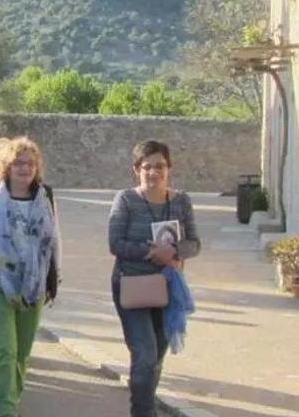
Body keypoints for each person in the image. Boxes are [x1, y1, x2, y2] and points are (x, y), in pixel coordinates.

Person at [0, 137, 61, 417]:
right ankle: (6, 412)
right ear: (5, 166)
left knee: (21, 356)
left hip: (33, 288)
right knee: (4, 353)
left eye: (30, 163)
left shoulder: (47, 197)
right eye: (18, 162)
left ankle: (10, 403)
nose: (24, 168)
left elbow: (55, 239)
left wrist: (56, 278)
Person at [109, 140, 201, 417]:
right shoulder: (125, 200)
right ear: (136, 170)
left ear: (169, 168)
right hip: (131, 287)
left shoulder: (181, 201)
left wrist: (173, 250)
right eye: (146, 167)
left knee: (156, 358)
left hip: (168, 289)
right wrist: (152, 252)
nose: (153, 172)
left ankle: (144, 407)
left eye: (159, 166)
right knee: (145, 355)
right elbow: (115, 243)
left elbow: (195, 243)